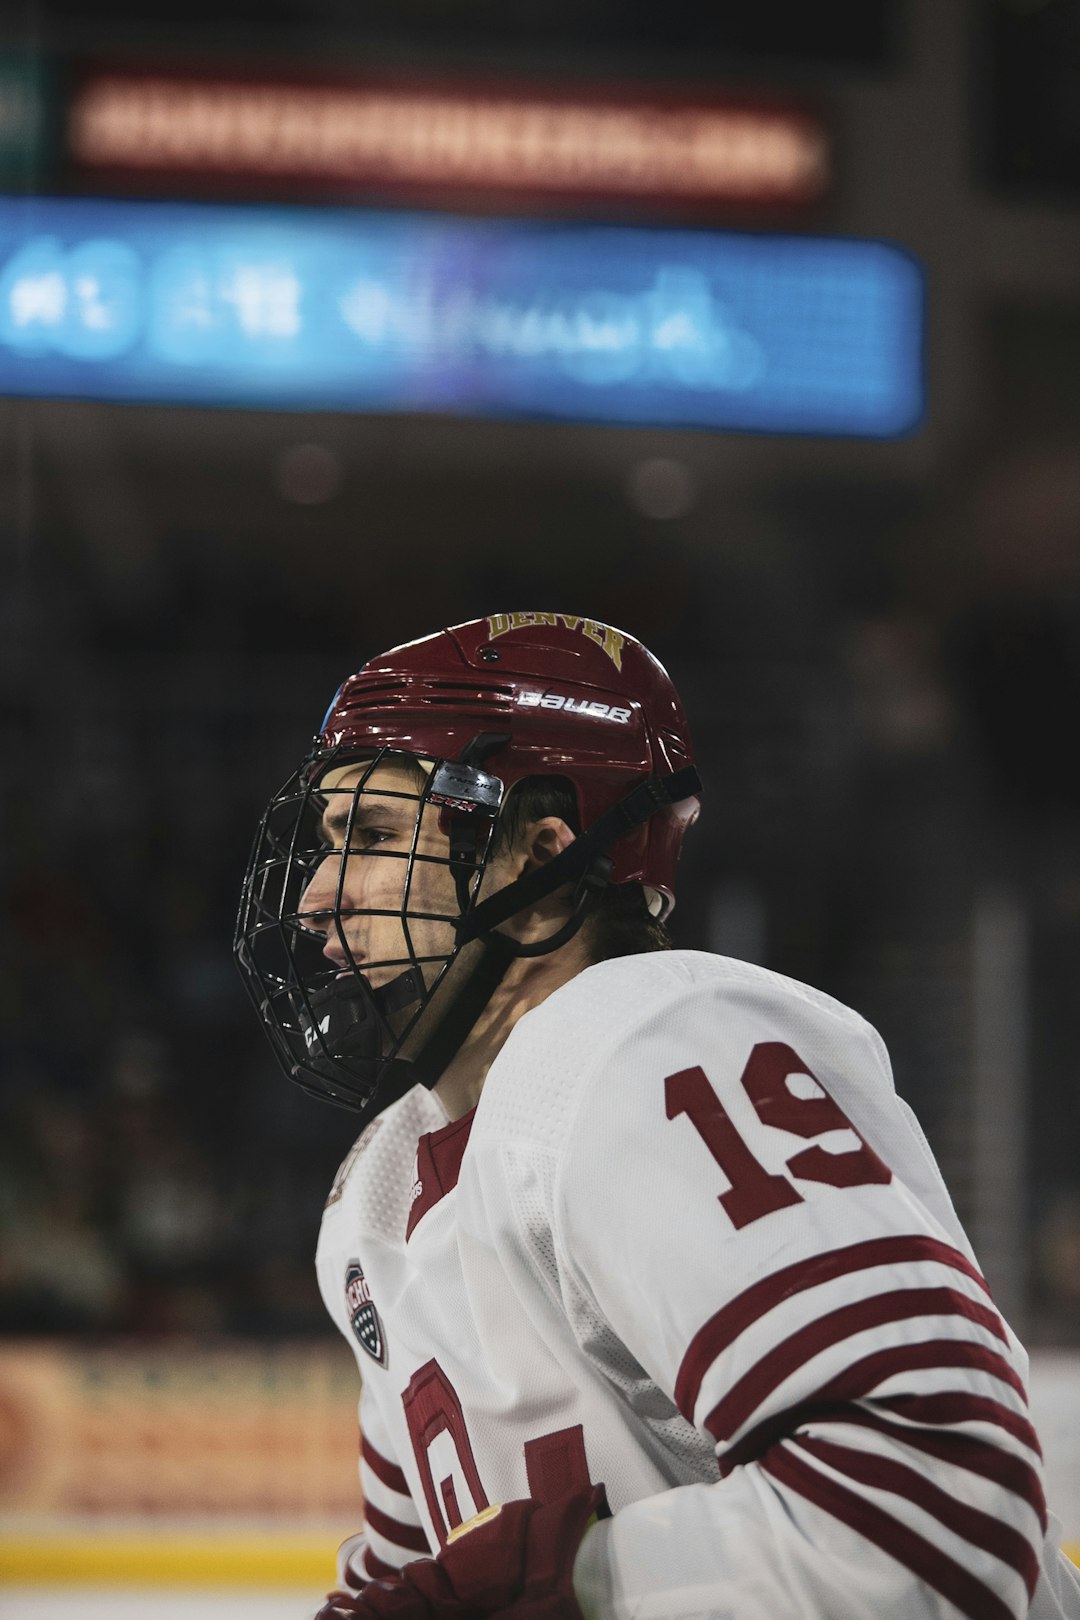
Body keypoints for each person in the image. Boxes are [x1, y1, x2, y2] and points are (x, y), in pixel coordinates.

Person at [235, 613, 1080, 1620]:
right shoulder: (379, 1189)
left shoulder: (650, 1045)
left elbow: (934, 1503)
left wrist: (555, 1587)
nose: (318, 897)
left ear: (540, 861)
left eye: (372, 836)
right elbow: (412, 1581)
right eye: (329, 843)